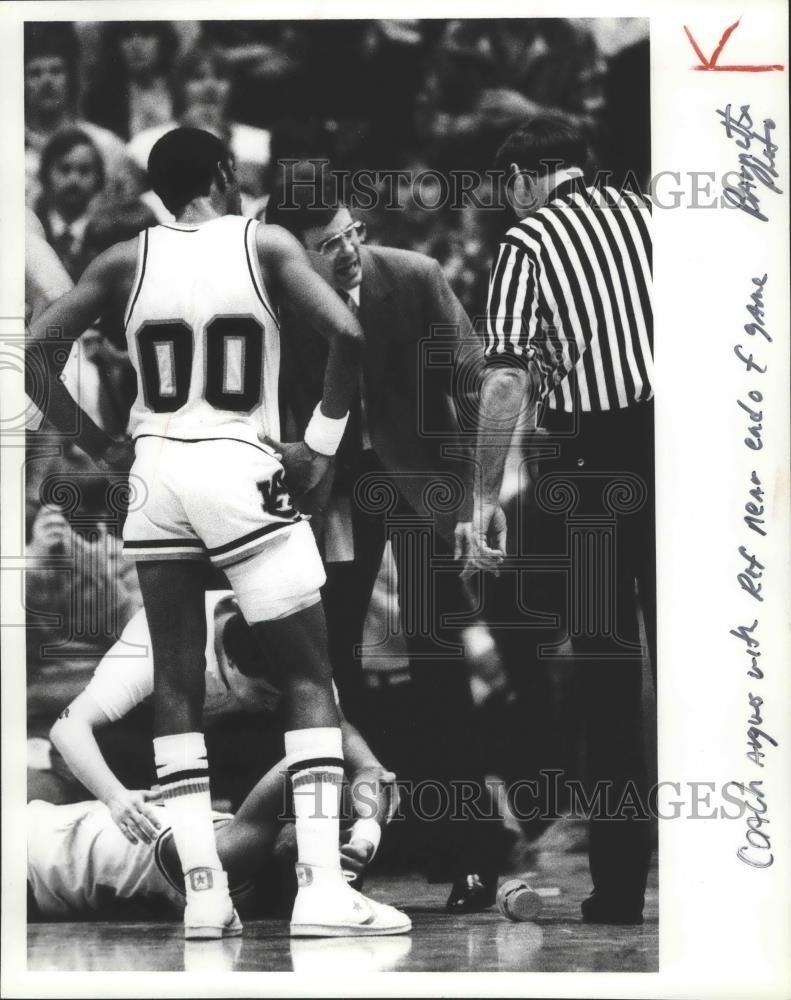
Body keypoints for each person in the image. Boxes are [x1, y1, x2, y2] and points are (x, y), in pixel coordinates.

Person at [26, 126, 409, 940]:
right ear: (227, 174)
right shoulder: (263, 240)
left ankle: (204, 894)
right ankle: (320, 890)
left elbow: (30, 353)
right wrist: (321, 447)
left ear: (159, 190)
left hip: (156, 470)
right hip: (238, 459)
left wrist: (99, 444)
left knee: (174, 685)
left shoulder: (122, 260)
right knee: (308, 675)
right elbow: (346, 335)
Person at [266, 166, 506, 913]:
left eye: (349, 236)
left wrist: (475, 494)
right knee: (326, 670)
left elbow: (479, 382)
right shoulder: (271, 297)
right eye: (325, 245)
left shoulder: (415, 276)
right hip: (325, 492)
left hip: (418, 483)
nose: (344, 254)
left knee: (438, 663)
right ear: (290, 255)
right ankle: (334, 857)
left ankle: (472, 855)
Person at [456, 117, 655, 924]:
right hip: (682, 451)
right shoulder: (653, 216)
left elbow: (503, 383)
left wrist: (477, 501)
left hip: (588, 463)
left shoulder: (529, 242)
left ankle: (617, 888)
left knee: (608, 674)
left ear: (522, 180)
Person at [48, 590, 395, 850]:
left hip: (224, 743)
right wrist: (115, 798)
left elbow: (341, 733)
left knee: (315, 752)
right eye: (264, 692)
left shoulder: (294, 647)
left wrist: (372, 771)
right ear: (229, 662)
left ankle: (273, 838)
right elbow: (67, 727)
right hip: (143, 740)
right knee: (102, 754)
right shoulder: (156, 639)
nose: (274, 703)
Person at [28, 746, 398, 922]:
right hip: (48, 856)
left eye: (324, 840)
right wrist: (365, 838)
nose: (322, 830)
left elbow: (311, 759)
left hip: (29, 852)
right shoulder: (238, 881)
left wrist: (363, 829)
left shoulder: (226, 856)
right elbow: (376, 778)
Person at [127, 42, 271, 212]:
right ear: (179, 87)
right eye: (197, 77)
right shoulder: (144, 144)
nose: (210, 87)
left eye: (220, 77)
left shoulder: (261, 141)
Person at [24, 23, 129, 207]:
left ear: (70, 78)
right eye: (35, 73)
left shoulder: (105, 144)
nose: (46, 81)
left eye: (56, 71)